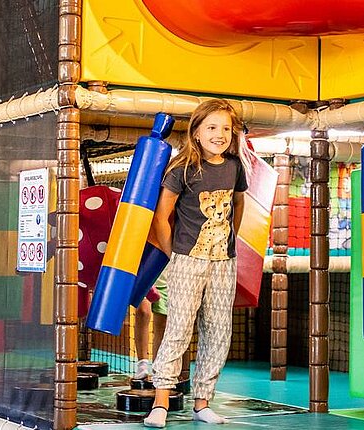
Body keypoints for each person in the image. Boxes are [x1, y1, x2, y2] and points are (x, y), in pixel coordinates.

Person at [145, 99, 248, 427]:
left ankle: (203, 402)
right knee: (179, 328)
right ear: (197, 133)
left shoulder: (234, 166)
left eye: (226, 129)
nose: (220, 134)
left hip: (223, 262)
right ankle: (160, 402)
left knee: (219, 332)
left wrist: (229, 243)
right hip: (188, 260)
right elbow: (162, 216)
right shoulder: (183, 168)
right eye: (212, 128)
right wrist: (174, 253)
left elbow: (239, 206)